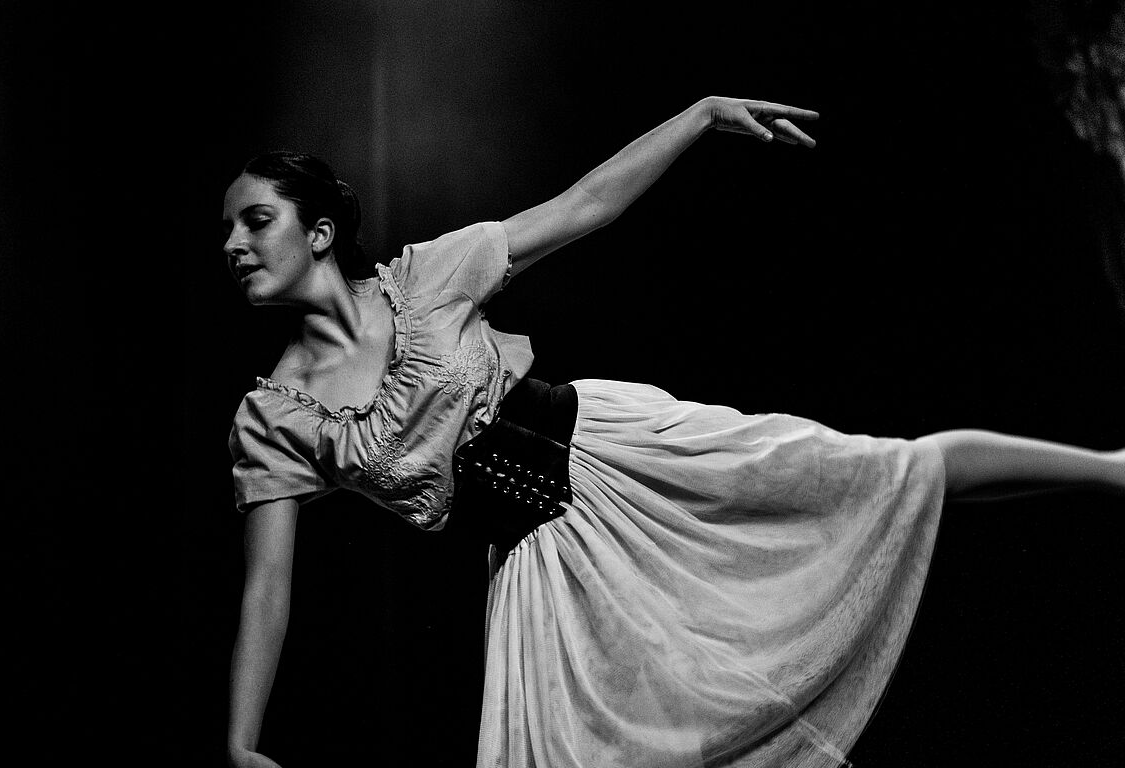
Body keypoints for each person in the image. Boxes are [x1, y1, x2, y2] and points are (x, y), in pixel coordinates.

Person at [221, 96, 1125, 768]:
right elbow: (267, 585)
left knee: (870, 472)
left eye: (256, 220)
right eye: (226, 231)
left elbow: (587, 203)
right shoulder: (274, 419)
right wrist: (240, 741)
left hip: (619, 455)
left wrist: (699, 117)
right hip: (544, 572)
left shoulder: (427, 278)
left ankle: (1113, 468)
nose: (233, 244)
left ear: (321, 230)